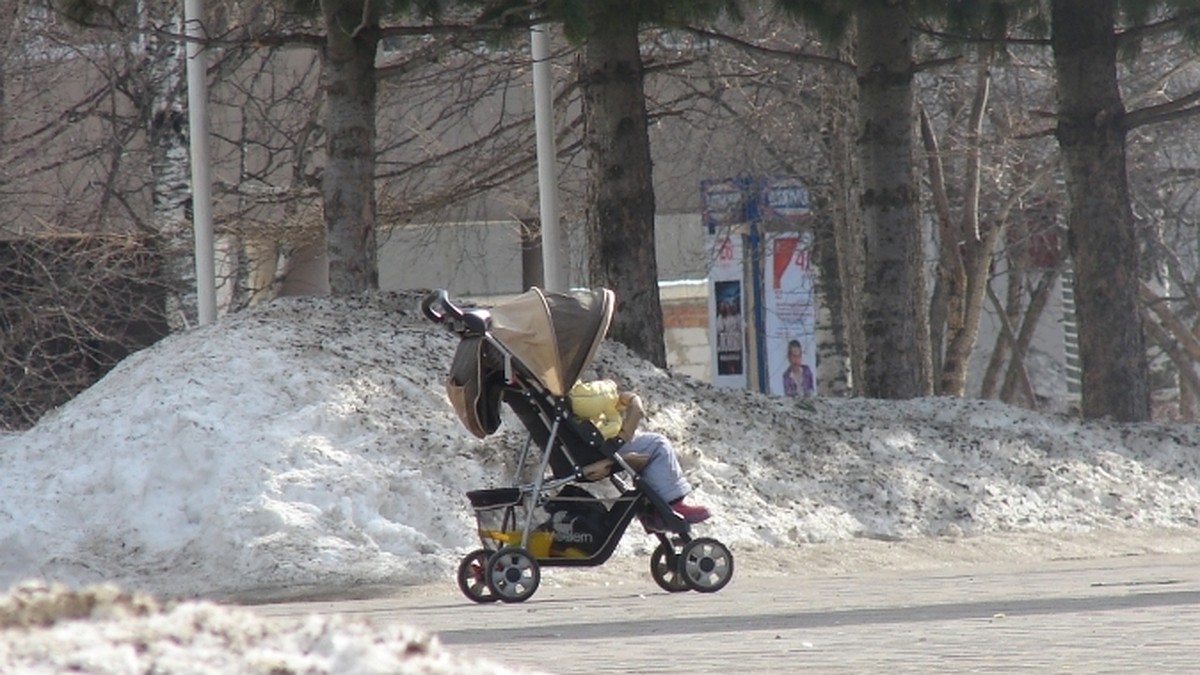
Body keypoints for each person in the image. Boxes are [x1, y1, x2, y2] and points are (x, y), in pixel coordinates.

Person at [568, 379, 711, 524]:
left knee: (646, 451)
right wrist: (610, 388)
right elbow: (582, 401)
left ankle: (652, 507)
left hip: (589, 445)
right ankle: (671, 504)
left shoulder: (551, 391)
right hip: (599, 449)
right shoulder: (564, 387)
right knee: (657, 445)